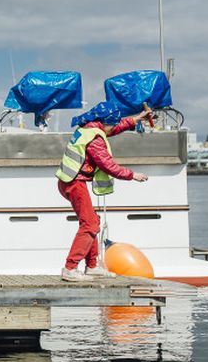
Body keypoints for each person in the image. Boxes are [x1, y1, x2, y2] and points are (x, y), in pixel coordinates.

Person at [56, 101, 154, 281]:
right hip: (74, 183)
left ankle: (92, 266)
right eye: (113, 124)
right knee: (90, 224)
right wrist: (133, 175)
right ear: (106, 122)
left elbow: (117, 127)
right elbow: (108, 165)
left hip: (69, 180)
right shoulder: (95, 139)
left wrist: (138, 117)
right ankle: (70, 269)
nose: (114, 128)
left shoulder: (90, 127)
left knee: (92, 221)